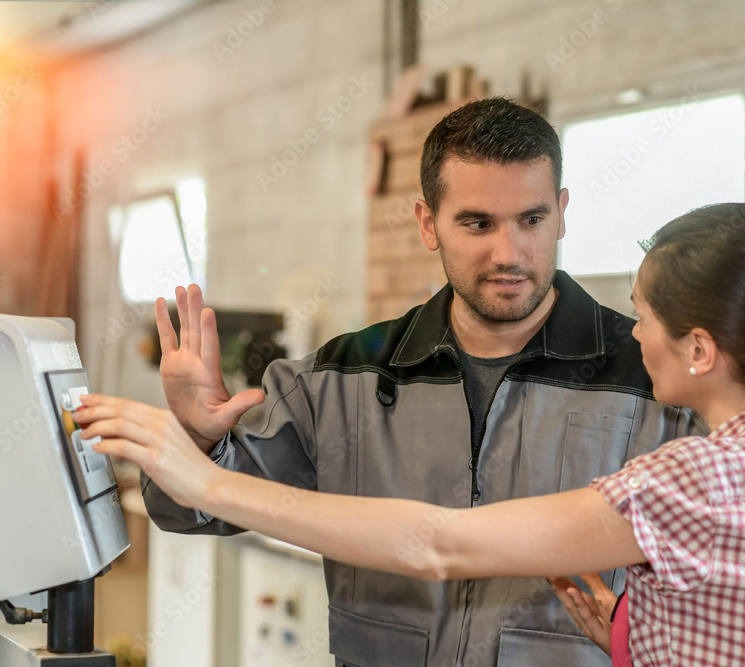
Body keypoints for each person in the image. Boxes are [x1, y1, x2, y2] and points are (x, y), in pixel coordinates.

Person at [78, 203, 745, 665]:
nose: (636, 335)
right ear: (428, 224)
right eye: (477, 221)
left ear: (701, 349)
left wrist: (205, 478)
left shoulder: (694, 476)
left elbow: (439, 545)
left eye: (648, 316)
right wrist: (638, 639)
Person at [120, 97, 701, 666]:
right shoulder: (344, 377)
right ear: (429, 224)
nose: (510, 252)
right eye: (478, 223)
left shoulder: (650, 378)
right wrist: (196, 439)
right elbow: (188, 508)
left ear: (562, 211)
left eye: (532, 219)